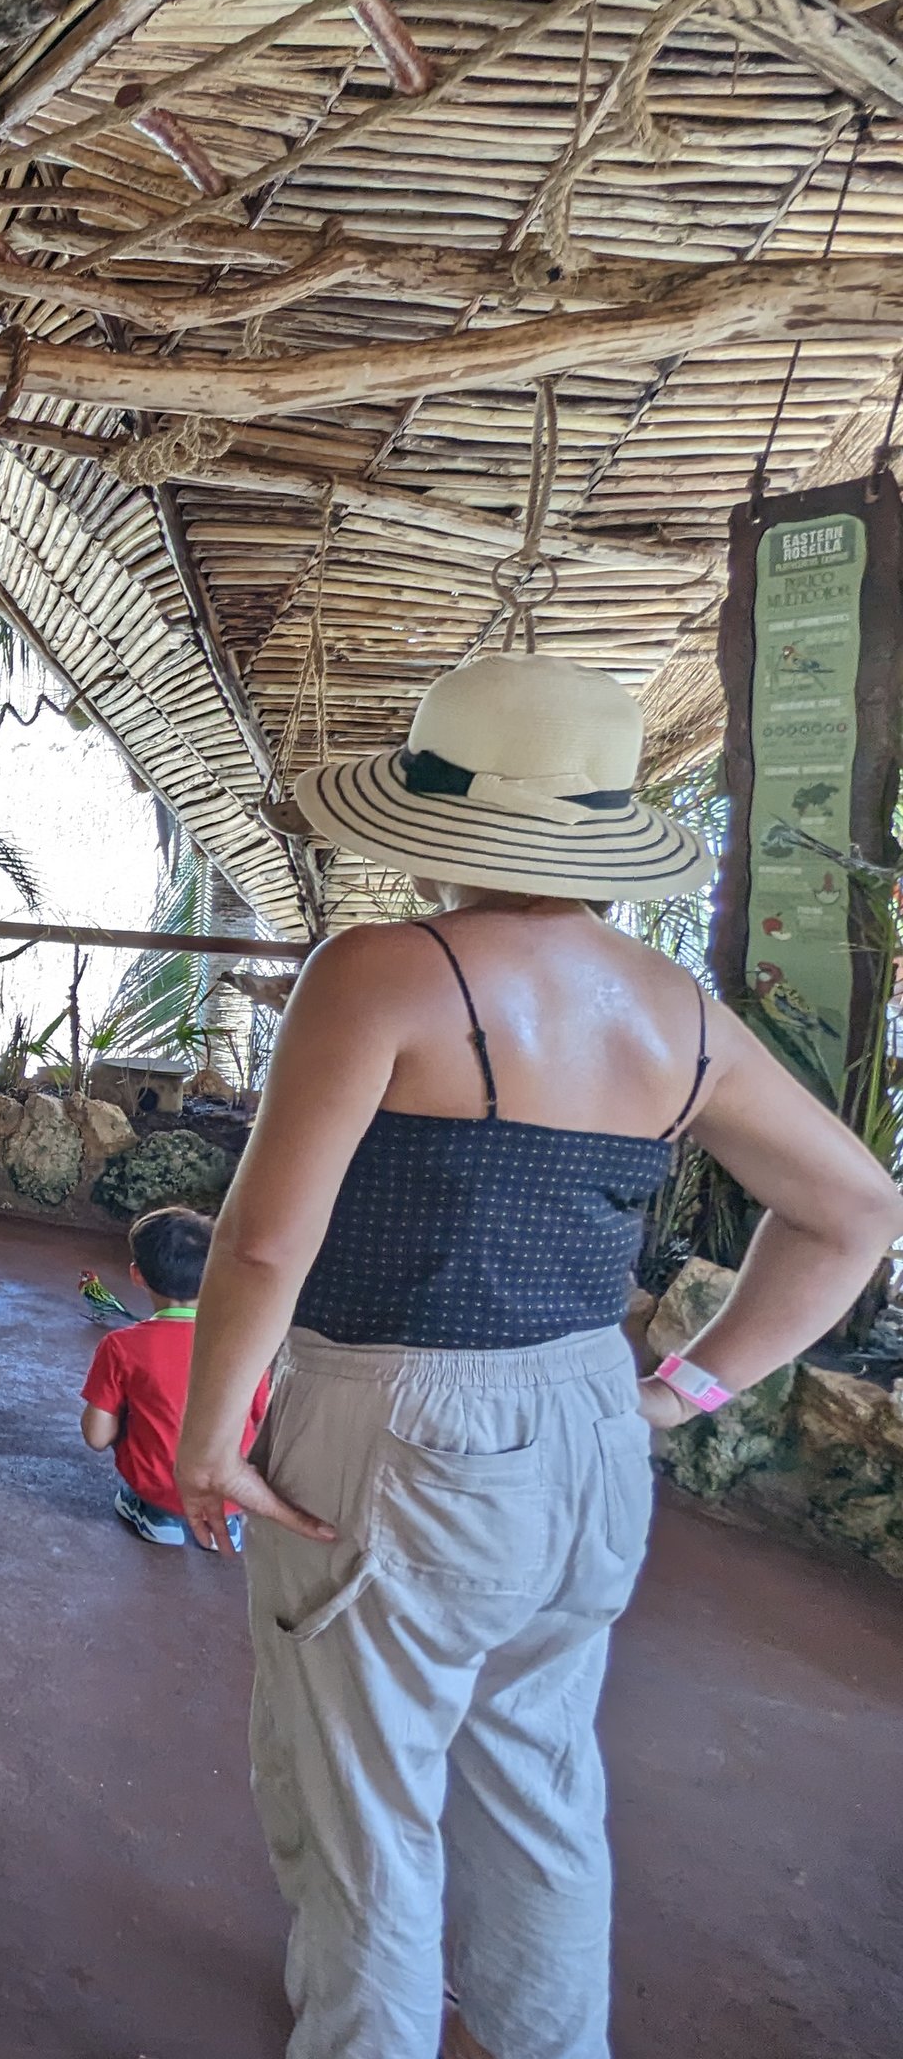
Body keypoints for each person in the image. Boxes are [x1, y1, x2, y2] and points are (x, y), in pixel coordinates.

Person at [171, 652, 903, 2059]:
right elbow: (856, 1209)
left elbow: (264, 1244)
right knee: (539, 1782)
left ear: (440, 821)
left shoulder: (380, 974)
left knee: (364, 1808)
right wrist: (677, 1391)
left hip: (400, 1420)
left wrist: (212, 1436)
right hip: (588, 1422)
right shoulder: (676, 1013)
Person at [80, 1206, 268, 1550]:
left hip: (160, 1487)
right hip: (229, 1490)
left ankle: (157, 1514)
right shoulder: (247, 1343)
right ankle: (223, 1522)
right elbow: (265, 1423)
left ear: (137, 1275)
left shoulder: (121, 1345)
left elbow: (96, 1436)